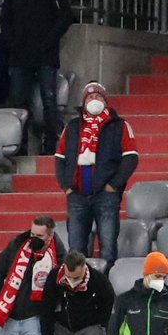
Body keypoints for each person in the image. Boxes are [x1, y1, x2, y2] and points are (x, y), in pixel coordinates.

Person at [1, 0, 75, 152]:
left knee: (49, 100)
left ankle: (51, 145)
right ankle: (21, 145)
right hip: (19, 55)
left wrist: (49, 41)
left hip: (45, 53)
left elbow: (65, 15)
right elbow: (5, 19)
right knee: (18, 101)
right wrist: (11, 42)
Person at [55, 81, 139, 261]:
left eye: (98, 96)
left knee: (108, 245)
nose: (94, 99)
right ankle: (79, 285)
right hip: (76, 195)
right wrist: (66, 185)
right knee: (76, 247)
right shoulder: (72, 126)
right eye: (90, 96)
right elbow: (59, 158)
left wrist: (114, 185)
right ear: (84, 101)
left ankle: (105, 284)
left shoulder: (120, 125)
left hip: (106, 195)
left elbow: (131, 157)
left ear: (105, 101)